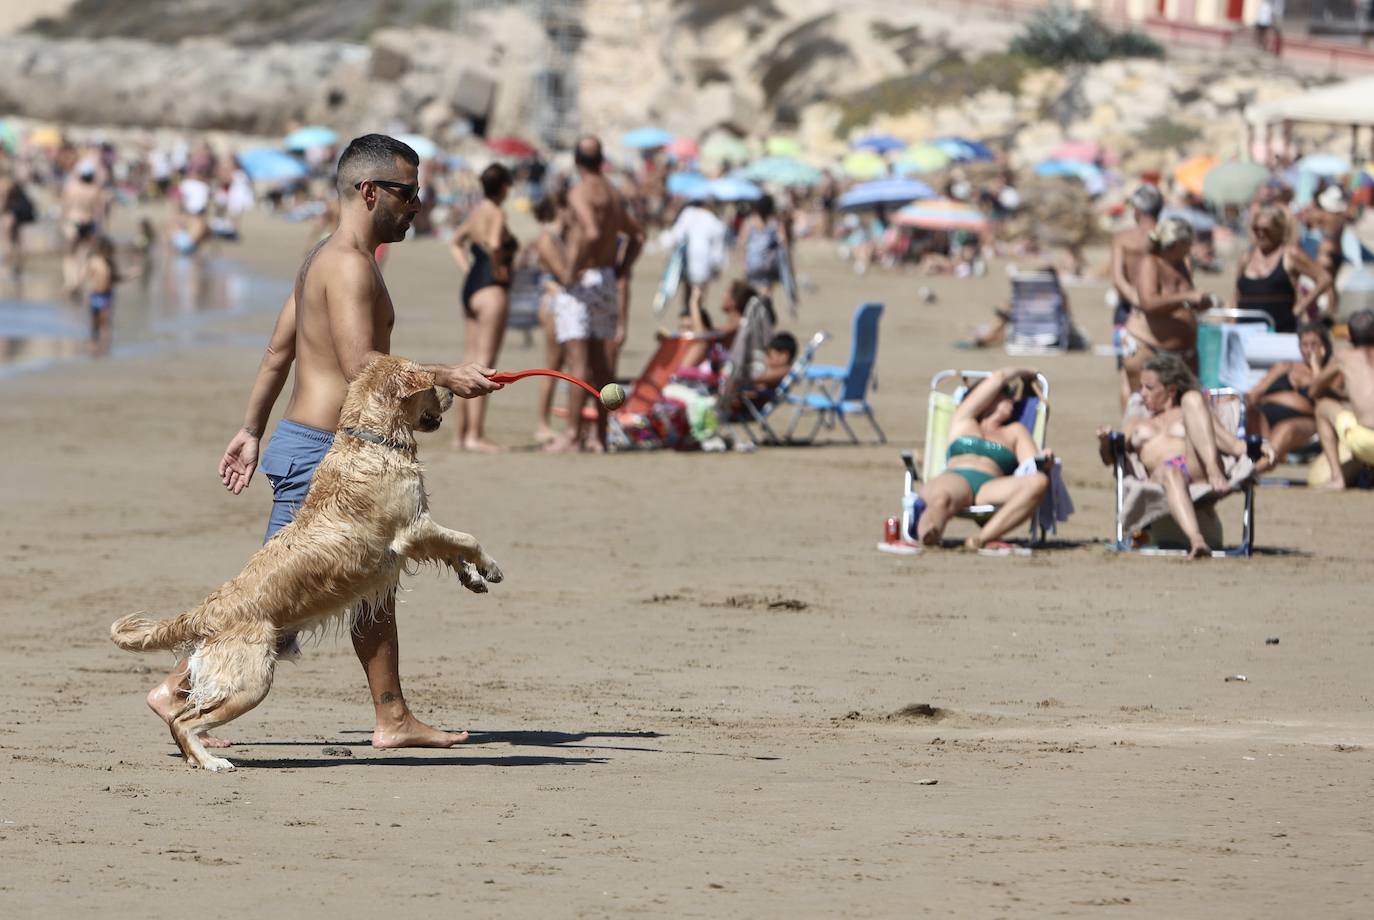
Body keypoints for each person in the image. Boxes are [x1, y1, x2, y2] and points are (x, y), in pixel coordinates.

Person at [145, 134, 502, 751]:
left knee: (369, 581)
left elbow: (280, 349)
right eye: (409, 194)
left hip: (308, 444)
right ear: (370, 192)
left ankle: (391, 717)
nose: (418, 206)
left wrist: (252, 429)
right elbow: (362, 363)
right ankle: (179, 689)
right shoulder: (348, 266)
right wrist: (446, 375)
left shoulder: (322, 257)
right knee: (274, 601)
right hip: (322, 454)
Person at [1097, 355, 1266, 558]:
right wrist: (1105, 442)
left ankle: (1212, 468)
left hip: (1199, 469)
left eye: (1149, 388)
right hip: (1163, 475)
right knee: (1170, 471)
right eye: (1141, 387)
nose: (1142, 394)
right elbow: (1110, 458)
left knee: (1193, 398)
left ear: (1171, 390)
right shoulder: (1136, 421)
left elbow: (1231, 444)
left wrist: (1264, 446)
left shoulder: (1194, 410)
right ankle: (1197, 540)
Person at [546, 135, 644, 453]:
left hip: (584, 280)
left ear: (576, 161)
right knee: (603, 365)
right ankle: (600, 436)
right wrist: (619, 268)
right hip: (605, 279)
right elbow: (638, 235)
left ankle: (573, 434)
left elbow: (589, 231)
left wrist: (570, 271)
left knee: (578, 362)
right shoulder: (613, 194)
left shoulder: (580, 192)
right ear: (601, 160)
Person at [914, 368, 1051, 552]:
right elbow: (999, 377)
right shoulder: (963, 420)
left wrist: (1045, 461)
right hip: (957, 477)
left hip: (991, 486)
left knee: (1039, 482)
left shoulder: (1015, 431)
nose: (1011, 398)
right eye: (1005, 394)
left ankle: (981, 539)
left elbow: (1031, 467)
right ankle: (930, 534)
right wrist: (1024, 371)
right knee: (942, 499)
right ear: (988, 397)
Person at [448, 163, 518, 452]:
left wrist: (468, 269)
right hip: (491, 288)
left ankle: (460, 435)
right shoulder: (497, 213)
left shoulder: (475, 212)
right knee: (485, 366)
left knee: (468, 361)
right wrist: (500, 268)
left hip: (472, 286)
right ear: (504, 187)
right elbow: (493, 242)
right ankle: (475, 435)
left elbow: (455, 242)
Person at [1119, 217, 1210, 397]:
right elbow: (1149, 303)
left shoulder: (1181, 264)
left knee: (1188, 405)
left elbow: (1181, 300)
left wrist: (1199, 303)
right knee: (1145, 404)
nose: (1190, 248)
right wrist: (1187, 296)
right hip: (1149, 345)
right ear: (1177, 243)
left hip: (1183, 351)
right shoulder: (1150, 263)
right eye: (1188, 243)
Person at [1244, 322, 1333, 471]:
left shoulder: (1329, 373)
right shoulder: (1285, 367)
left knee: (1286, 427)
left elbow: (1324, 404)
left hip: (1304, 422)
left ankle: (1258, 468)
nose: (1309, 349)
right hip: (1264, 420)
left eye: (1314, 344)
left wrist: (1316, 367)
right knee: (1244, 408)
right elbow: (1256, 392)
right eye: (1304, 344)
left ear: (1325, 347)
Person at [1235, 205, 1331, 333]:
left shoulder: (1290, 255)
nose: (1261, 234)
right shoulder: (1246, 258)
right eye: (1256, 229)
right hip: (1244, 330)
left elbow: (1324, 278)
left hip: (1280, 330)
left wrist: (1302, 306)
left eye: (1266, 230)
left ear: (1278, 230)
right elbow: (1236, 295)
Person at [1110, 185, 1163, 408]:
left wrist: (1135, 299)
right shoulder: (1166, 237)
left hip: (1126, 311)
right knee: (1160, 372)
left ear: (1137, 211)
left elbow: (1118, 278)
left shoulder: (1123, 238)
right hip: (1160, 311)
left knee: (1127, 373)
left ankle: (1128, 428)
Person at [1311, 309, 1374, 490]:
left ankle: (1337, 479)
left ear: (1350, 337)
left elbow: (1315, 391)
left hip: (1365, 442)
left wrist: (1316, 364)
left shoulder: (1344, 356)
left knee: (1322, 408)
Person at [531, 191, 575, 444]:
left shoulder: (561, 238)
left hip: (560, 301)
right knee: (553, 365)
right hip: (553, 304)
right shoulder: (548, 238)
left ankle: (560, 422)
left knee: (566, 363)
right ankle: (543, 423)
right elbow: (563, 273)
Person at [668, 196, 727, 318]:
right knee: (699, 293)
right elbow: (718, 252)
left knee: (688, 291)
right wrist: (717, 268)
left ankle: (687, 316)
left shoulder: (689, 214)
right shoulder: (716, 223)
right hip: (703, 262)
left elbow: (676, 235)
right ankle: (695, 316)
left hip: (687, 259)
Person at [61, 159, 110, 298]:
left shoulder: (71, 187)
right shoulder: (95, 190)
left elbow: (65, 206)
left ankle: (71, 282)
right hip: (89, 222)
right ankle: (78, 283)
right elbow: (99, 211)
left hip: (73, 221)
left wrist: (63, 222)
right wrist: (101, 228)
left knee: (69, 255)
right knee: (84, 254)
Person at [741, 194, 789, 300]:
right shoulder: (775, 223)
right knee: (766, 295)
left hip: (752, 263)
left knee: (752, 294)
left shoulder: (749, 222)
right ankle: (765, 310)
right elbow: (784, 243)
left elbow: (743, 243)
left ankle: (757, 310)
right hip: (768, 264)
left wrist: (744, 262)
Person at [85, 235, 118, 356]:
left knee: (105, 319)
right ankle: (94, 343)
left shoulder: (110, 263)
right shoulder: (94, 261)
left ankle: (106, 344)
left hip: (107, 294)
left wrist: (129, 276)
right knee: (95, 320)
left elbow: (115, 279)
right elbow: (87, 275)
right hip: (96, 293)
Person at [1, 173, 37, 278]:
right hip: (17, 216)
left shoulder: (4, 185)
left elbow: (3, 203)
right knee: (18, 242)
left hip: (9, 216)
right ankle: (17, 266)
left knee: (8, 241)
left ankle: (11, 266)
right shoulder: (13, 184)